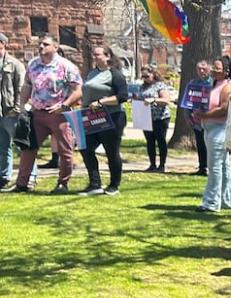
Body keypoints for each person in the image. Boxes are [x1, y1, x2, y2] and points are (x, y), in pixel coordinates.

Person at [10, 35, 82, 194]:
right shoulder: (33, 64)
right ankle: (21, 184)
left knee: (65, 150)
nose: (41, 47)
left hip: (59, 115)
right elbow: (27, 85)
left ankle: (62, 183)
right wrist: (23, 105)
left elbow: (77, 91)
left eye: (46, 44)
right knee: (28, 148)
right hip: (37, 113)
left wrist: (64, 105)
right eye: (40, 44)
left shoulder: (66, 66)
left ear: (55, 47)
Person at [78, 44, 129, 195]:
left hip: (112, 117)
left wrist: (101, 102)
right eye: (94, 54)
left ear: (107, 56)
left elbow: (123, 96)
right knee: (85, 147)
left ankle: (114, 185)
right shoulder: (91, 73)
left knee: (111, 151)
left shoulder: (115, 74)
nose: (95, 57)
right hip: (91, 116)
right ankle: (95, 184)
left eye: (98, 54)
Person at [196, 58, 231, 213]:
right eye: (213, 66)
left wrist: (205, 115)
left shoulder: (227, 86)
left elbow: (225, 108)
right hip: (208, 127)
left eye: (217, 67)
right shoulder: (212, 85)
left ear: (226, 71)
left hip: (220, 129)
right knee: (224, 166)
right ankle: (228, 199)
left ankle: (211, 202)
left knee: (214, 166)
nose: (213, 69)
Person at [0, 33, 28, 189]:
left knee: (22, 146)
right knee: (2, 147)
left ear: (3, 44)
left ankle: (29, 176)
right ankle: (4, 177)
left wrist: (17, 109)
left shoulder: (15, 64)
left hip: (11, 112)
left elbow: (21, 88)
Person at [138, 65, 174, 172]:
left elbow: (166, 100)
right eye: (143, 76)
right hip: (146, 118)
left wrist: (153, 100)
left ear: (153, 74)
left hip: (160, 117)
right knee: (150, 141)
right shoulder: (142, 87)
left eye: (147, 76)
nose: (145, 78)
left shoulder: (160, 85)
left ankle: (162, 165)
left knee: (161, 141)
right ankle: (152, 164)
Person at [180, 60, 212, 175]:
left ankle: (210, 167)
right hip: (196, 120)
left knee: (209, 144)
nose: (201, 71)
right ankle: (202, 167)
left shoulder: (213, 83)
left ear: (209, 69)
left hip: (211, 119)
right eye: (199, 69)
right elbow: (187, 101)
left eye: (204, 68)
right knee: (200, 143)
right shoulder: (193, 83)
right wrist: (187, 117)